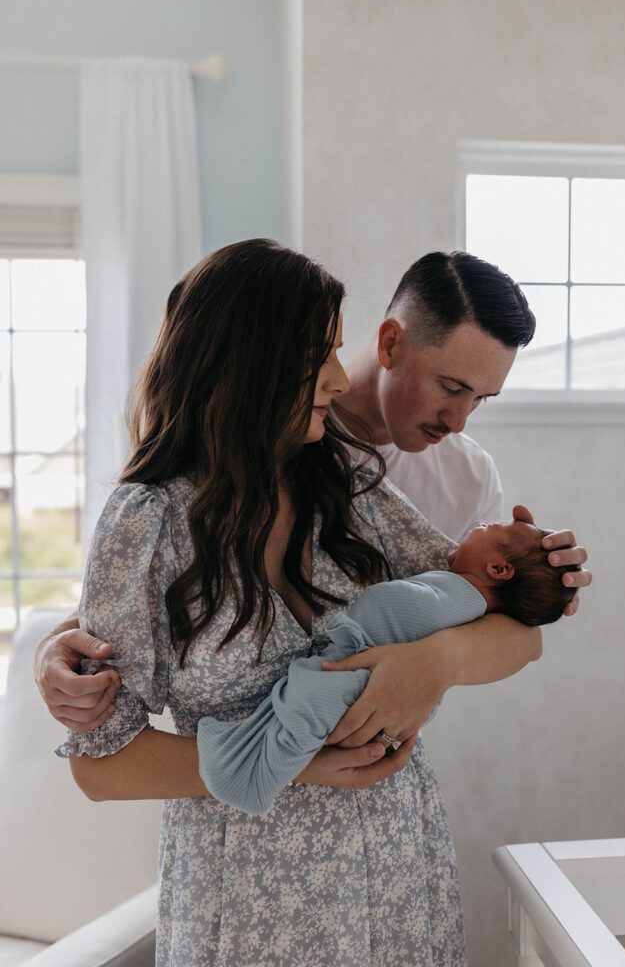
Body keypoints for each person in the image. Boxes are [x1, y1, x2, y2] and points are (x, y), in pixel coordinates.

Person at [56, 238, 536, 966]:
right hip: (248, 905)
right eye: (321, 355)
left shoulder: (347, 484)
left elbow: (496, 614)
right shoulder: (146, 522)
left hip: (398, 872)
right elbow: (100, 765)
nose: (340, 379)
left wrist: (458, 641)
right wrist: (298, 764)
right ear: (249, 364)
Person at [35, 247, 590, 787]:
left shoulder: (428, 479)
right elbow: (145, 610)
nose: (461, 420)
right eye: (451, 387)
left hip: (390, 811)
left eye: (482, 399)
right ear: (390, 343)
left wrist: (443, 655)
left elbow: (515, 629)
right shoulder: (188, 501)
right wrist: (58, 643)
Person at [196, 513, 576, 815]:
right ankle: (250, 761)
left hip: (366, 684)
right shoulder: (454, 589)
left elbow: (529, 641)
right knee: (303, 699)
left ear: (498, 569)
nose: (480, 523)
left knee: (310, 702)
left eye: (491, 527)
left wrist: (438, 659)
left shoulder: (463, 599)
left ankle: (255, 775)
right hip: (361, 676)